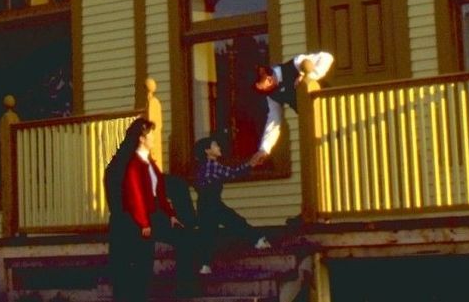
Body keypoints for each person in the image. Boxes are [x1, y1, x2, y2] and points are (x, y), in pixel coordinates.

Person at [105, 116, 179, 302]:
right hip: (130, 221)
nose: (154, 138)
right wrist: (143, 222)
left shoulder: (149, 163)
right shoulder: (129, 164)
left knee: (143, 264)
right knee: (131, 266)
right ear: (141, 138)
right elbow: (134, 194)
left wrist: (169, 214)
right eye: (151, 135)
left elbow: (158, 191)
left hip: (147, 217)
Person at [188, 132, 269, 276]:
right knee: (235, 221)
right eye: (215, 145)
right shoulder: (212, 165)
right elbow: (233, 173)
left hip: (203, 204)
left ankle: (204, 265)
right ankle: (257, 240)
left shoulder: (201, 167)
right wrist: (250, 164)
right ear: (207, 151)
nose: (219, 147)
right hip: (212, 202)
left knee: (207, 233)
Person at [249, 51, 334, 164]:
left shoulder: (296, 64)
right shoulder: (271, 95)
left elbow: (327, 57)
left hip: (332, 108)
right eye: (262, 90)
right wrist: (264, 149)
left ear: (267, 76)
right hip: (315, 123)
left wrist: (310, 77)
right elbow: (274, 121)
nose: (265, 90)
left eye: (264, 85)